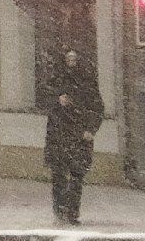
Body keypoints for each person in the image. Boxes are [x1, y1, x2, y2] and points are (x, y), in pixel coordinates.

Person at [45, 50, 107, 225]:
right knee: (59, 175)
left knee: (76, 176)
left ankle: (72, 213)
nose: (71, 62)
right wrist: (57, 100)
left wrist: (90, 129)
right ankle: (60, 212)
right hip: (59, 134)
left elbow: (97, 108)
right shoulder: (56, 79)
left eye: (74, 59)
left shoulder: (87, 82)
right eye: (69, 58)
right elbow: (45, 97)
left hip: (79, 135)